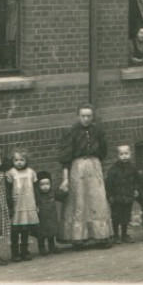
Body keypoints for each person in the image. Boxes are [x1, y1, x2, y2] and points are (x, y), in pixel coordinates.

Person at [58, 105, 113, 248]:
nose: (86, 119)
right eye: (83, 116)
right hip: (78, 167)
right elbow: (65, 157)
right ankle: (78, 238)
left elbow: (103, 151)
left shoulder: (98, 131)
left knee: (97, 199)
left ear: (93, 116)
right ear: (78, 116)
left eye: (89, 116)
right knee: (79, 201)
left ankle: (100, 236)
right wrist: (65, 178)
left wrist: (96, 164)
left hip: (94, 166)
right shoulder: (71, 132)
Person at [5, 147, 39, 262]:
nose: (19, 162)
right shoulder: (11, 173)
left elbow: (36, 189)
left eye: (22, 160)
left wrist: (37, 203)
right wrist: (10, 205)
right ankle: (15, 252)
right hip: (16, 206)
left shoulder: (31, 173)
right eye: (16, 160)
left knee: (25, 229)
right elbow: (8, 191)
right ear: (12, 161)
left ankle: (24, 250)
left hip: (28, 204)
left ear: (26, 161)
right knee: (15, 229)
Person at [105, 143, 140, 243]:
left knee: (126, 216)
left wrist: (136, 189)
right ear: (117, 156)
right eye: (121, 154)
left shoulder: (133, 168)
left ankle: (124, 234)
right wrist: (110, 196)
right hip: (117, 198)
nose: (124, 156)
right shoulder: (113, 170)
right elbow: (109, 183)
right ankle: (116, 235)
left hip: (128, 196)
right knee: (116, 217)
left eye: (126, 153)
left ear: (130, 154)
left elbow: (137, 180)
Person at [34, 170, 64, 256]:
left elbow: (60, 197)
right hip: (41, 217)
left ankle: (52, 246)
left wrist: (64, 191)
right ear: (38, 185)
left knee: (51, 231)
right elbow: (34, 203)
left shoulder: (52, 192)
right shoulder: (37, 195)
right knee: (41, 233)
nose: (45, 187)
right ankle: (42, 247)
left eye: (47, 184)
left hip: (51, 216)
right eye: (42, 185)